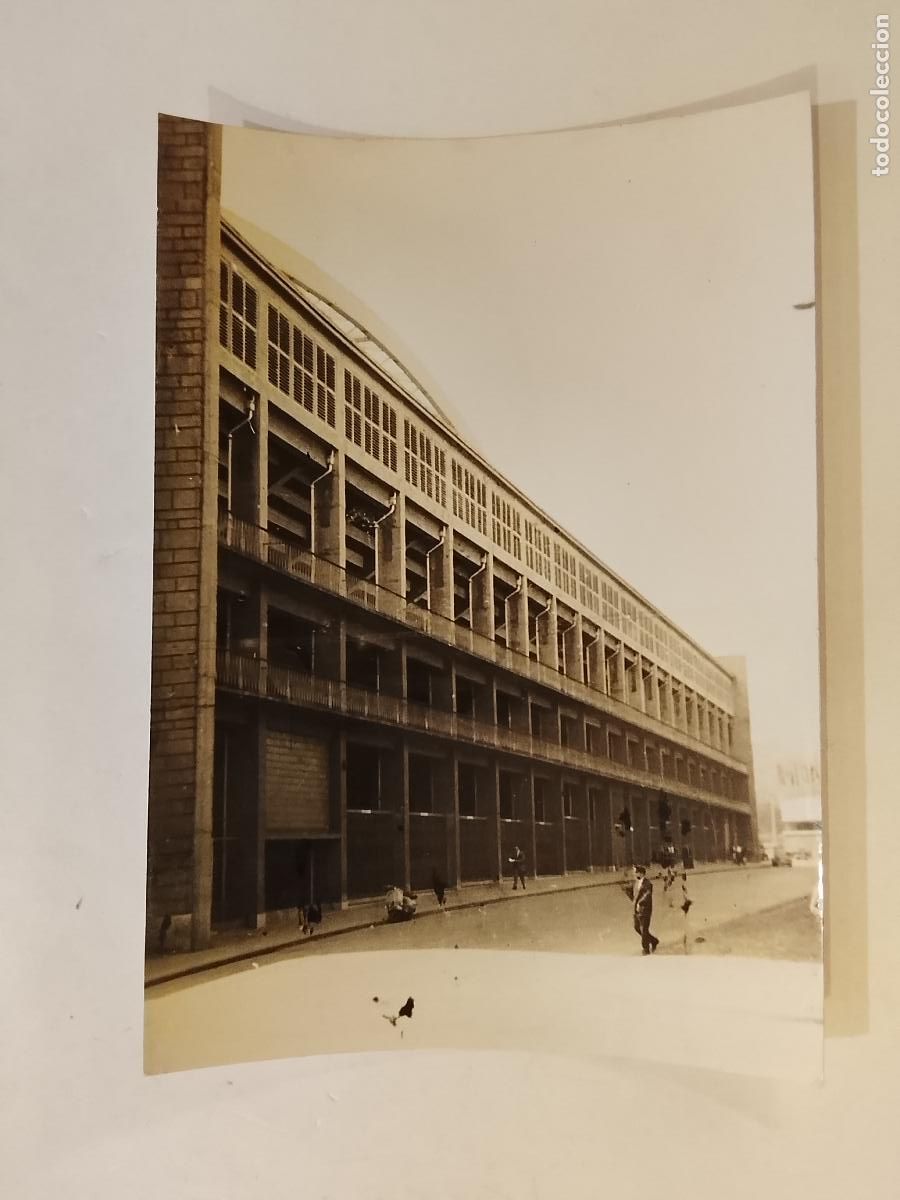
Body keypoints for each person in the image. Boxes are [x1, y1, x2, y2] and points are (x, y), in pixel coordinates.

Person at [631, 865, 659, 955]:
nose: (634, 874)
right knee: (637, 927)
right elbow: (635, 896)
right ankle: (653, 940)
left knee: (644, 929)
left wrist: (640, 903)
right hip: (636, 910)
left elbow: (647, 895)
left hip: (644, 909)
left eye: (636, 872)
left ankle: (645, 949)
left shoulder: (648, 884)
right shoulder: (636, 883)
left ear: (641, 873)